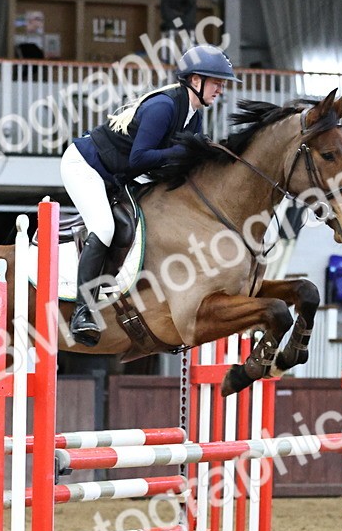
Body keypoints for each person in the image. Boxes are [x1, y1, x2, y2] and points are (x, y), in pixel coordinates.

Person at [60, 44, 240, 346]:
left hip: (118, 176)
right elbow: (139, 158)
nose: (221, 89)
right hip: (86, 165)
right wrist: (184, 150)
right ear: (195, 81)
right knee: (104, 227)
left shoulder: (193, 116)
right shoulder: (164, 107)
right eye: (217, 81)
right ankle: (82, 311)